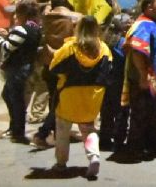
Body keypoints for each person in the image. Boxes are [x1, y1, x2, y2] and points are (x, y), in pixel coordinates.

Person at [48, 16, 112, 178]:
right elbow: (108, 71)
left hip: (69, 93)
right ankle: (94, 157)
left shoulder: (70, 47)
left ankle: (61, 164)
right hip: (93, 95)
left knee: (63, 129)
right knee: (88, 128)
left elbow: (54, 67)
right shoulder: (103, 48)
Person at [121, 0, 156, 161]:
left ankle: (151, 146)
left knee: (154, 114)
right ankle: (134, 149)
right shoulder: (142, 24)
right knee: (140, 114)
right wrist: (143, 75)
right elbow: (136, 51)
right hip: (144, 78)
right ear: (149, 7)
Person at [32, 0, 82, 149]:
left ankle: (58, 132)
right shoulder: (75, 18)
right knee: (61, 101)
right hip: (67, 62)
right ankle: (43, 133)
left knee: (54, 97)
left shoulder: (45, 18)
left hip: (49, 61)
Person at [0, 0, 42, 143]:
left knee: (16, 99)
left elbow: (7, 48)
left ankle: (17, 130)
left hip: (18, 68)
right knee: (12, 96)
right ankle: (15, 128)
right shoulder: (35, 28)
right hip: (26, 66)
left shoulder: (21, 29)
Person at [99, 14, 131, 152]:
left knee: (106, 110)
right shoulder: (123, 42)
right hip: (120, 80)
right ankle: (119, 139)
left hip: (105, 80)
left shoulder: (101, 42)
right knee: (121, 110)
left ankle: (104, 139)